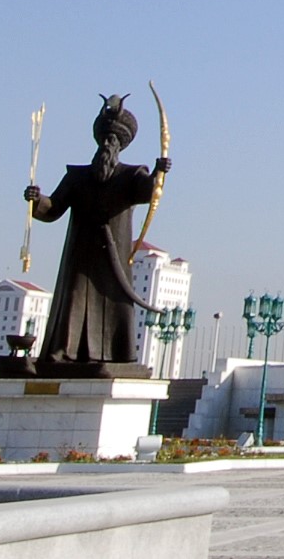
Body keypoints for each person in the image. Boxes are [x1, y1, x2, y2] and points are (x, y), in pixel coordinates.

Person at [22, 94, 168, 374]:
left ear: (120, 145)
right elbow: (53, 209)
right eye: (105, 139)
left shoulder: (131, 175)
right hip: (80, 253)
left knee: (115, 302)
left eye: (113, 140)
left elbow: (149, 192)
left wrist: (158, 175)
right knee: (74, 297)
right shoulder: (77, 177)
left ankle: (117, 355)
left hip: (113, 255)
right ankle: (64, 353)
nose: (107, 144)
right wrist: (36, 199)